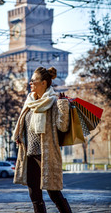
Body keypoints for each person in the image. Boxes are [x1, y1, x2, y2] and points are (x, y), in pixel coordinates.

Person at [12, 67, 72, 213]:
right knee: (34, 195)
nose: (30, 83)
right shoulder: (30, 101)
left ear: (44, 83)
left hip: (46, 154)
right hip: (29, 154)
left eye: (33, 80)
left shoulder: (53, 103)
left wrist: (63, 105)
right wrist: (20, 136)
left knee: (54, 193)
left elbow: (63, 127)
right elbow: (23, 124)